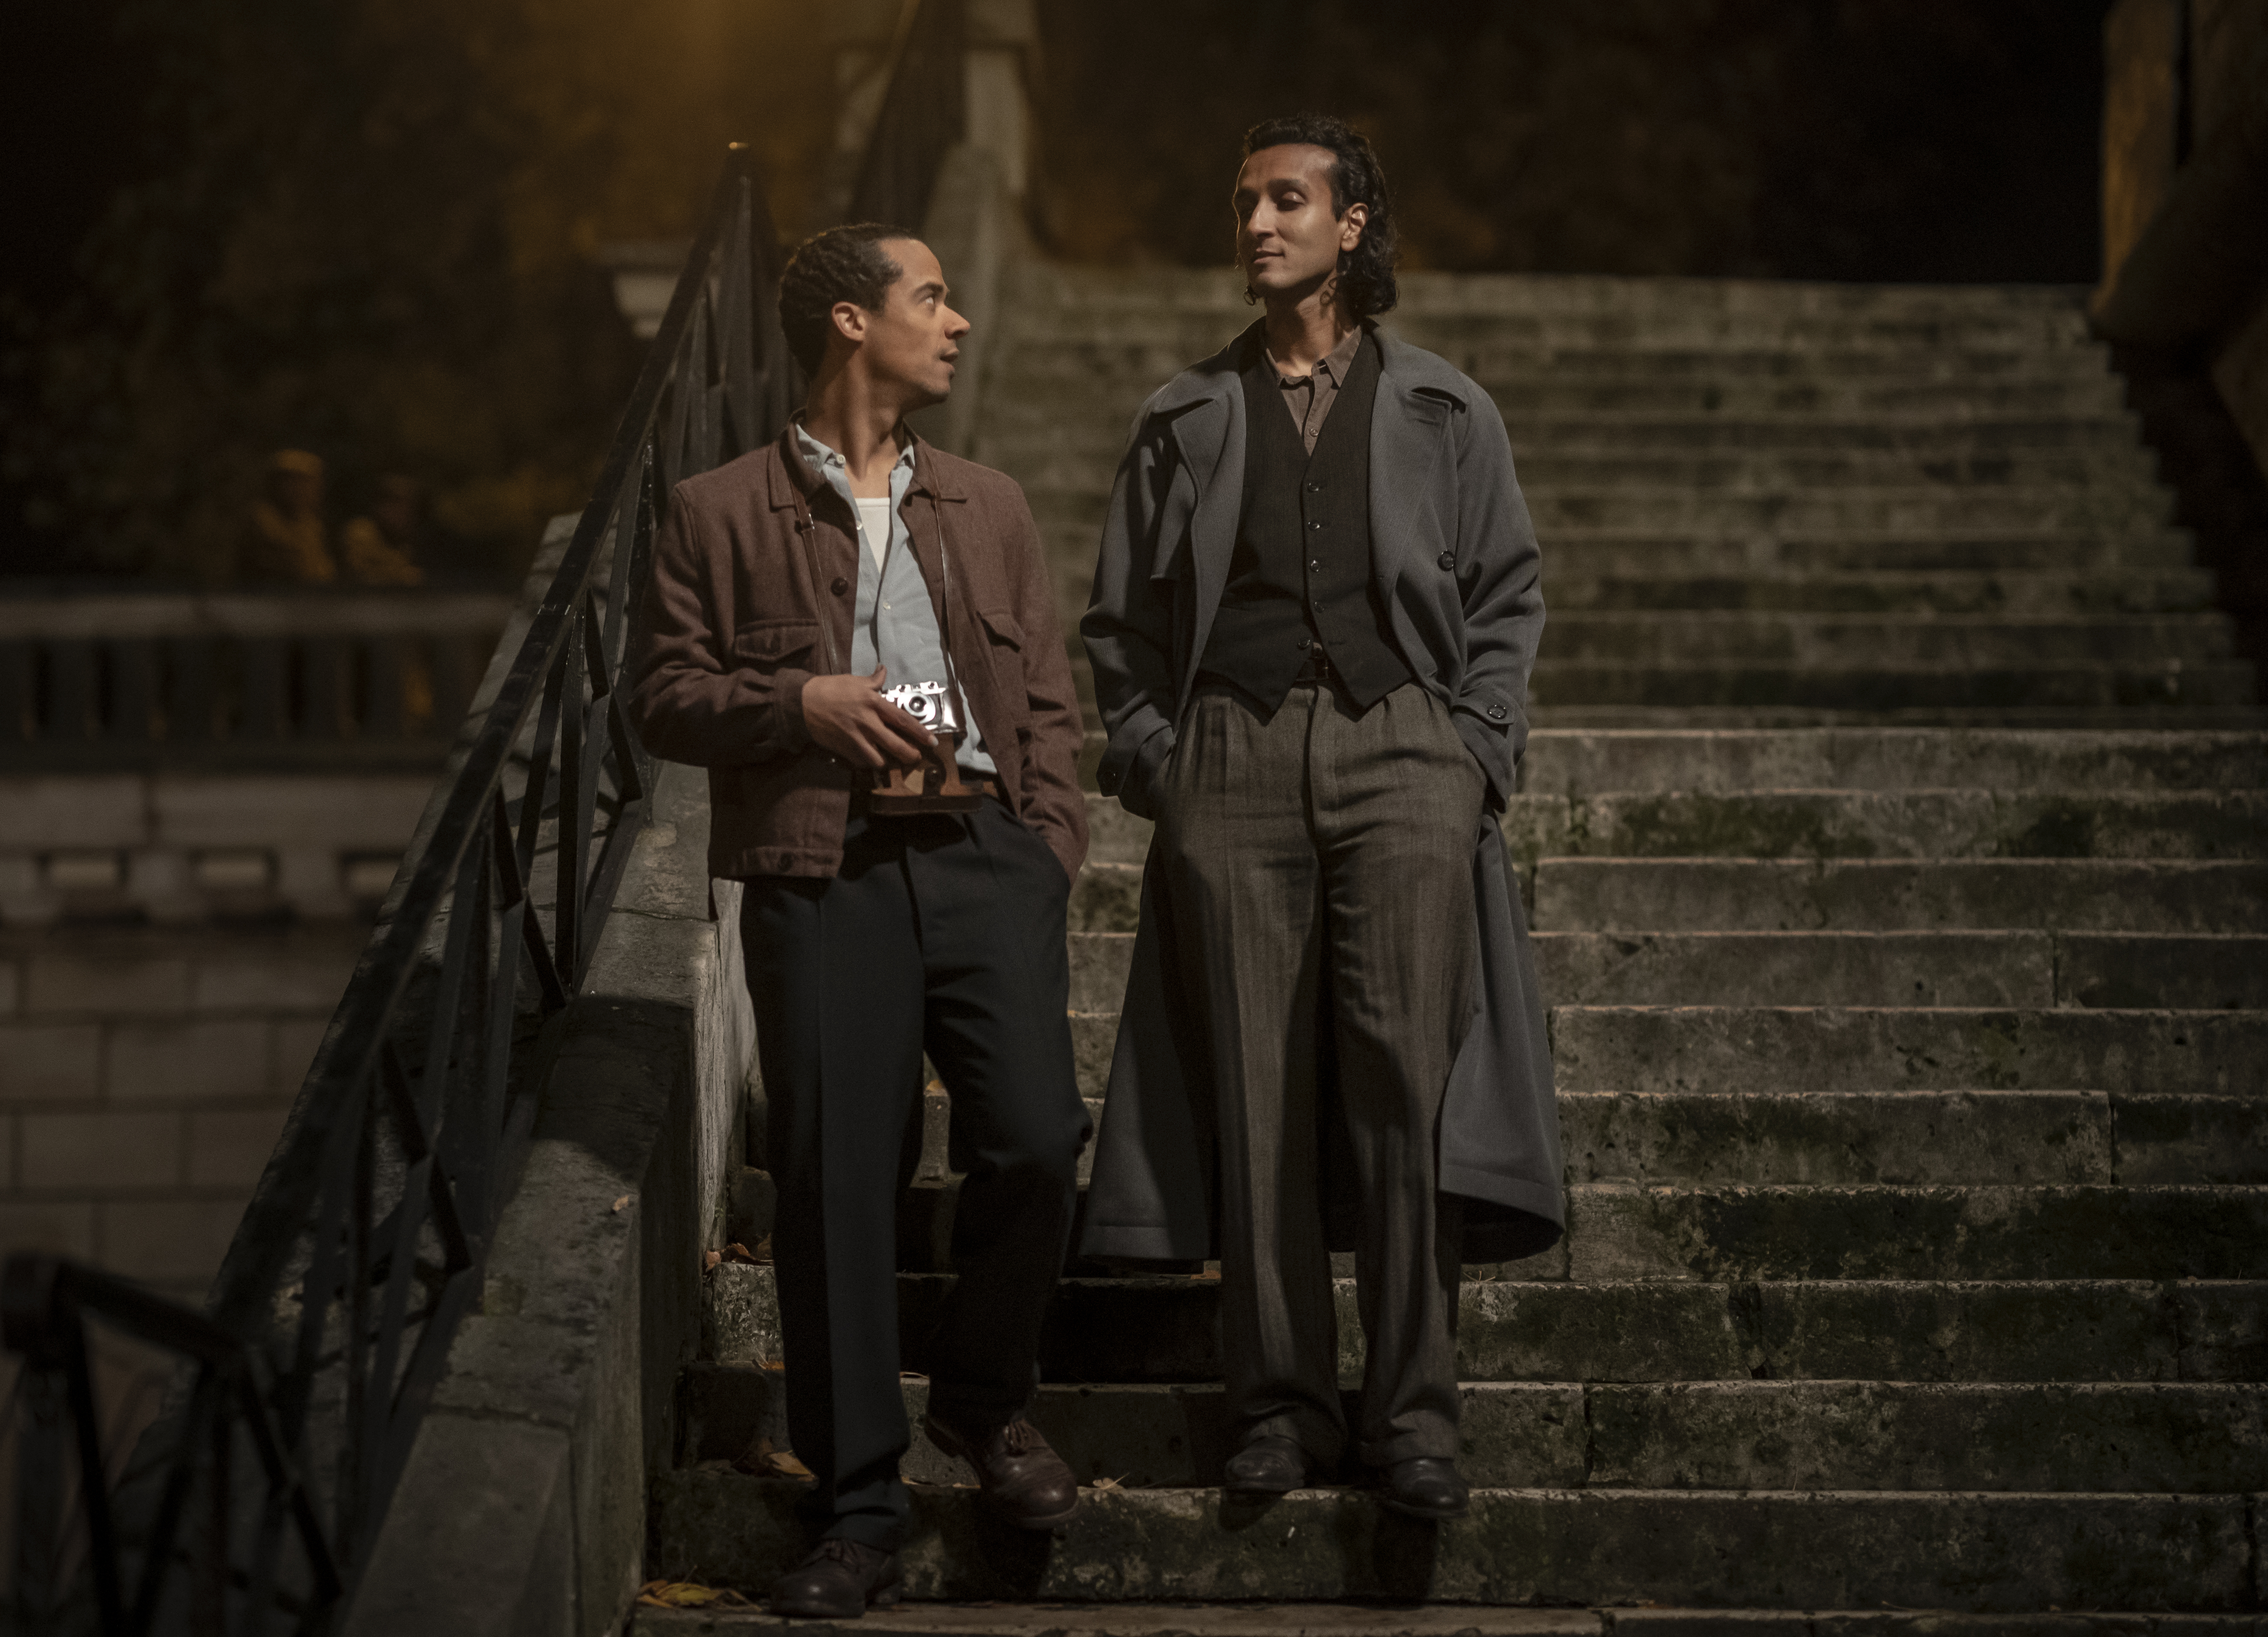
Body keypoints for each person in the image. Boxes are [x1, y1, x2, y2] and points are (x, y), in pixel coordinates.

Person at [1079, 114, 1566, 1521]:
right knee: (1257, 1097)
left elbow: (1510, 596)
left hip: (1404, 747)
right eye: (1243, 203)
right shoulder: (1184, 418)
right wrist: (1162, 765)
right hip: (1230, 756)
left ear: (1353, 226)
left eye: (1286, 200)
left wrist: (1473, 751)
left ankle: (1414, 1417)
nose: (1256, 224)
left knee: (1398, 1095)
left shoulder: (1444, 411)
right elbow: (1117, 628)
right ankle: (1278, 1407)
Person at [628, 224, 1090, 1616]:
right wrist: (801, 705)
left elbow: (1052, 700)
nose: (953, 322)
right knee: (838, 1175)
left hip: (982, 853)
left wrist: (1048, 845)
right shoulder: (717, 511)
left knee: (1035, 1138)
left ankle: (982, 1400)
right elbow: (657, 695)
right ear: (848, 320)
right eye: (929, 296)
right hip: (821, 870)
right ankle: (858, 1506)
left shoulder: (990, 506)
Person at [240, 448, 337, 583]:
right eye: (293, 481)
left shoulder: (312, 524)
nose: (301, 489)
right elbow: (300, 569)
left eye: (310, 482)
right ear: (276, 485)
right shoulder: (262, 519)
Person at [339, 473, 428, 585]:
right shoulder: (360, 532)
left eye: (409, 506)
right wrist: (400, 576)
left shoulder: (404, 539)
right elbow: (358, 576)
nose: (404, 512)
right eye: (396, 504)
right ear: (381, 505)